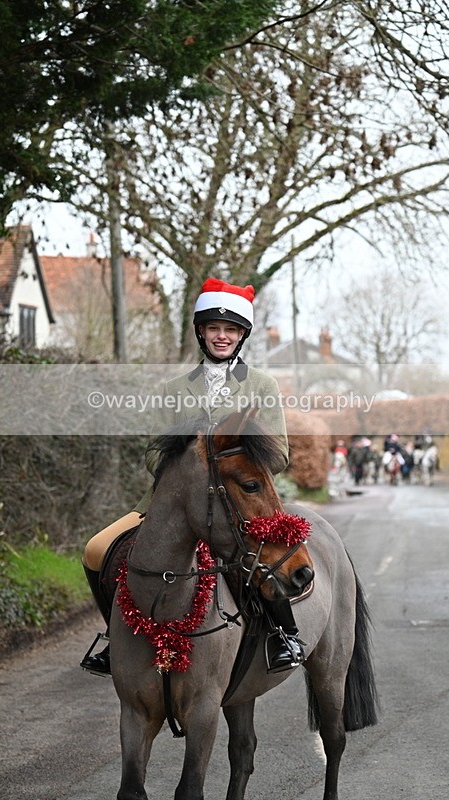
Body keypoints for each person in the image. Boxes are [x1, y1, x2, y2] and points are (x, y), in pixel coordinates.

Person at [80, 277, 304, 676]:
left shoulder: (262, 387)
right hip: (173, 504)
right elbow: (153, 454)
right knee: (97, 550)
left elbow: (281, 454)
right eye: (215, 329)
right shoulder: (173, 389)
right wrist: (190, 467)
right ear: (201, 332)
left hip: (238, 502)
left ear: (242, 336)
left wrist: (240, 455)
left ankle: (282, 633)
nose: (222, 336)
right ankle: (115, 639)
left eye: (231, 330)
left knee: (262, 557)